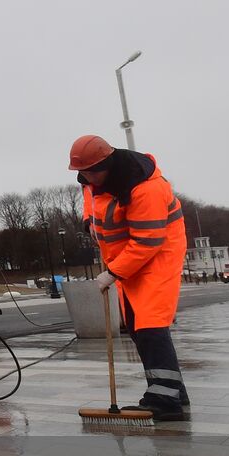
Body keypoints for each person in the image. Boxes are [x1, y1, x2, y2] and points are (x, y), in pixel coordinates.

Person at [69, 134, 189, 420]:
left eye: (90, 172)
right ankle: (173, 389)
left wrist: (112, 272)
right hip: (129, 259)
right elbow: (91, 201)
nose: (87, 178)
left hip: (157, 256)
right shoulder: (92, 179)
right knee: (136, 324)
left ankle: (165, 400)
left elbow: (148, 240)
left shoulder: (147, 189)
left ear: (107, 163)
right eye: (81, 173)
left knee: (150, 324)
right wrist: (89, 223)